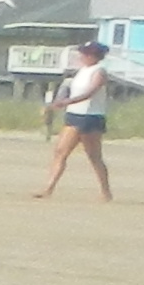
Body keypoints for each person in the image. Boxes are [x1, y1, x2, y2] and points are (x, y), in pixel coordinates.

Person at [41, 38, 114, 202]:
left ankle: (105, 192)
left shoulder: (99, 71)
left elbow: (90, 92)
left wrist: (67, 102)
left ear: (94, 55)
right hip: (74, 114)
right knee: (61, 151)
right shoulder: (82, 71)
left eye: (85, 53)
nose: (82, 56)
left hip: (90, 117)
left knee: (94, 156)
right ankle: (48, 188)